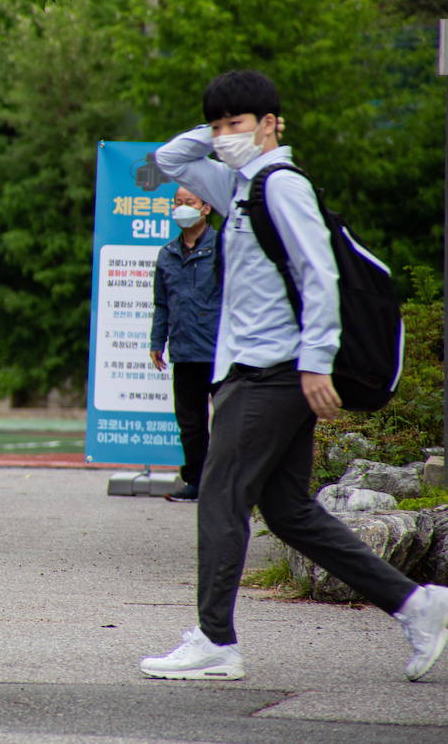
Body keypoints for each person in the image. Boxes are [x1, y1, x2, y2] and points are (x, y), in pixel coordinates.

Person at [141, 69, 448, 681]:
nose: (226, 134)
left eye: (239, 123)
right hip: (254, 369)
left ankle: (215, 640)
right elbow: (166, 161)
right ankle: (419, 603)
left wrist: (315, 363)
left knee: (221, 495)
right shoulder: (241, 187)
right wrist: (216, 132)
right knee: (288, 511)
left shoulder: (280, 185)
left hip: (271, 373)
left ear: (270, 124)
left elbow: (319, 274)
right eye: (219, 124)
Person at [148, 186, 220, 503]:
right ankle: (195, 482)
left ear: (205, 208)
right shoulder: (167, 254)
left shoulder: (224, 247)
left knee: (229, 421)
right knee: (190, 424)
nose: (181, 208)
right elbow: (162, 304)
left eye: (188, 202)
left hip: (221, 352)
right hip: (185, 350)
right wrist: (156, 341)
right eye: (177, 202)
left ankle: (229, 484)